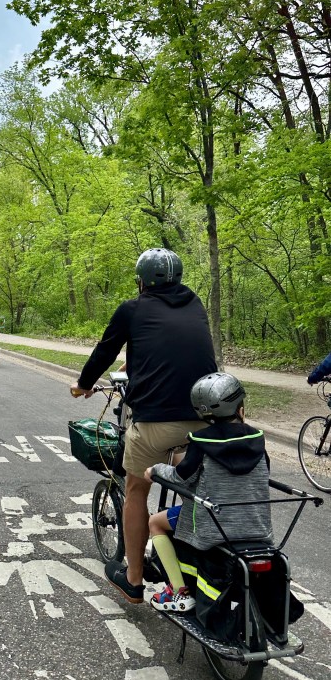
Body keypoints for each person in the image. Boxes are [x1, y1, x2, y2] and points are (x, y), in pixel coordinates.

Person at [71, 247, 217, 603]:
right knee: (196, 483)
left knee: (137, 489)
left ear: (142, 282)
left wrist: (84, 385)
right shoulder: (196, 305)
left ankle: (134, 580)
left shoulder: (132, 309)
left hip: (156, 422)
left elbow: (105, 351)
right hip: (206, 422)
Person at [145, 372, 272, 612]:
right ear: (240, 409)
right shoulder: (258, 440)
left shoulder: (201, 442)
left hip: (211, 525)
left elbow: (181, 476)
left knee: (156, 523)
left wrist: (155, 470)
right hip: (255, 525)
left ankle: (178, 591)